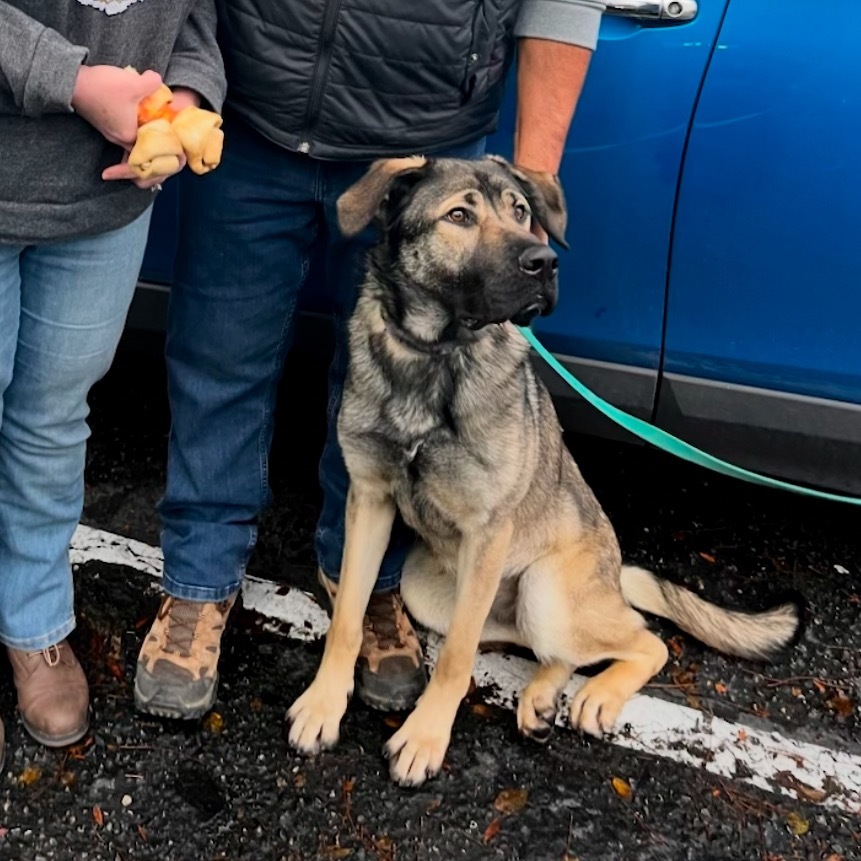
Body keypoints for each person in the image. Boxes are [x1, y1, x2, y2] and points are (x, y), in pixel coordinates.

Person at [134, 0, 606, 720]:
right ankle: (198, 581)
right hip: (258, 118)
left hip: (427, 155)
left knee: (393, 384)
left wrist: (525, 196)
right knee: (217, 361)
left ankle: (374, 579)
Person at [0, 0, 225, 760]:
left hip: (105, 203)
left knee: (52, 417)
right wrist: (70, 81)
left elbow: (196, 15)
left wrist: (185, 98)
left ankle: (35, 624)